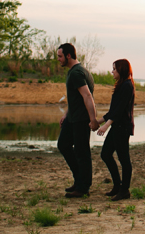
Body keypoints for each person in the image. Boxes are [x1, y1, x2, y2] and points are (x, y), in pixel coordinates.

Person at [56, 42, 99, 198]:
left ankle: (83, 187)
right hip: (72, 118)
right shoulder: (74, 71)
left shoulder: (77, 73)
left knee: (82, 152)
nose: (58, 59)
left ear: (68, 55)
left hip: (81, 119)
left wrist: (93, 119)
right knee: (63, 144)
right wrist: (66, 115)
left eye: (60, 56)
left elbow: (87, 96)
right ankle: (79, 179)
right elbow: (76, 98)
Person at [96, 59, 135, 202]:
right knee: (105, 154)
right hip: (116, 126)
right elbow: (113, 110)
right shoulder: (121, 85)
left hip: (122, 127)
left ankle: (124, 190)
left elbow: (119, 111)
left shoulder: (127, 85)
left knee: (124, 159)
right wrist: (97, 121)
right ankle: (117, 186)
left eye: (114, 69)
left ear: (122, 70)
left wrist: (106, 125)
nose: (112, 71)